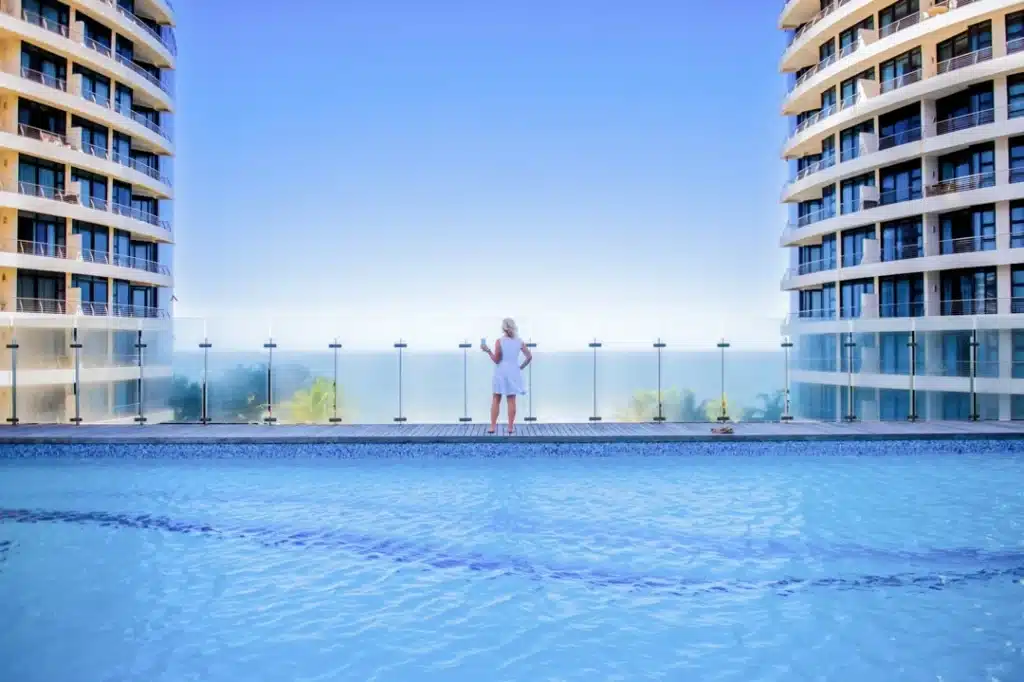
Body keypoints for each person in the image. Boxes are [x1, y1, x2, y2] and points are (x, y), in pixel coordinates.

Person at [481, 318, 532, 434]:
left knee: (496, 399)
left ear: (503, 328)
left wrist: (488, 351)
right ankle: (510, 428)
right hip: (514, 371)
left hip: (501, 372)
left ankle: (492, 427)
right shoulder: (519, 341)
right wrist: (520, 367)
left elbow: (497, 360)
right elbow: (529, 357)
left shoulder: (500, 341)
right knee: (511, 400)